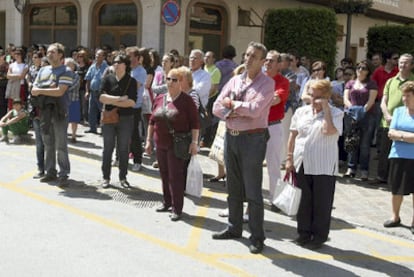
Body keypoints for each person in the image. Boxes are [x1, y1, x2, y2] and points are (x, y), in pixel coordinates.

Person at [211, 41, 274, 254]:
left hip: (253, 139)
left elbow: (256, 109)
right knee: (233, 186)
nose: (248, 59)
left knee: (253, 191)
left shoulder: (266, 84)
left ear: (263, 62)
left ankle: (257, 236)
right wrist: (235, 109)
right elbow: (216, 106)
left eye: (254, 56)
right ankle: (234, 227)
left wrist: (233, 105)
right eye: (247, 55)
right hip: (232, 136)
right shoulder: (235, 80)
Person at [286, 79, 344, 250]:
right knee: (304, 199)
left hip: (323, 164)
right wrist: (289, 158)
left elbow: (328, 131)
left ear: (326, 97)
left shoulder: (336, 113)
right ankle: (303, 233)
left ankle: (319, 236)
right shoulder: (301, 112)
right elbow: (293, 135)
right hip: (301, 161)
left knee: (321, 202)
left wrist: (325, 109)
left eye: (318, 97)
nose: (313, 100)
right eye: (311, 95)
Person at [144, 68, 199, 222]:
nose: (170, 82)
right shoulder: (160, 98)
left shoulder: (187, 101)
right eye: (168, 79)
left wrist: (194, 143)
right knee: (164, 174)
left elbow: (195, 124)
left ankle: (177, 208)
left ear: (181, 82)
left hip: (177, 145)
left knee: (176, 176)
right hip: (159, 142)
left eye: (174, 80)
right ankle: (166, 202)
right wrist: (148, 141)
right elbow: (151, 121)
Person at [31, 43, 74, 187]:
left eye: (53, 52)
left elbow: (59, 91)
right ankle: (50, 172)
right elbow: (33, 89)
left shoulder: (66, 71)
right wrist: (47, 89)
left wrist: (42, 90)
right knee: (48, 143)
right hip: (45, 112)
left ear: (61, 55)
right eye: (48, 52)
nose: (49, 54)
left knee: (61, 145)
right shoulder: (42, 70)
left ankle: (63, 174)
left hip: (60, 112)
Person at [372, 54, 414, 185]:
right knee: (384, 151)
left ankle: (398, 179)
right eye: (401, 62)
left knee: (402, 152)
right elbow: (383, 101)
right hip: (388, 122)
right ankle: (381, 176)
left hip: (406, 124)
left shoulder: (413, 82)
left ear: (412, 65)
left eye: (406, 63)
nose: (402, 65)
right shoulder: (391, 81)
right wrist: (387, 115)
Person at [99, 54, 137, 189]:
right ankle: (106, 177)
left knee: (123, 149)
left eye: (119, 62)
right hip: (109, 118)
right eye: (114, 62)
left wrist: (113, 100)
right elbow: (102, 98)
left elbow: (132, 102)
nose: (116, 64)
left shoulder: (131, 81)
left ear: (125, 65)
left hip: (126, 119)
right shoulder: (107, 79)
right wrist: (120, 99)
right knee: (107, 148)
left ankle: (123, 177)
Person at [383, 81, 414, 235]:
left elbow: (396, 134)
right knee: (396, 189)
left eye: (408, 95)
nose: (404, 99)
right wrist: (407, 137)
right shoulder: (398, 111)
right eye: (403, 95)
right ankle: (395, 217)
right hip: (398, 155)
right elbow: (391, 133)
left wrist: (400, 135)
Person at [343, 60, 378, 180]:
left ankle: (364, 170)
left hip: (367, 116)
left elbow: (371, 101)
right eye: (358, 68)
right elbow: (346, 99)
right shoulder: (350, 83)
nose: (360, 70)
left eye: (363, 68)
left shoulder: (371, 84)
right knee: (351, 142)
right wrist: (353, 112)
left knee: (364, 145)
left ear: (368, 71)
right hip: (351, 116)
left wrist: (361, 112)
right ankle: (350, 168)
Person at [263, 50, 290, 207]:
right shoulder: (259, 79)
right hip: (256, 126)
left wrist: (258, 100)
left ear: (279, 64)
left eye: (271, 60)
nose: (267, 63)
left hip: (273, 127)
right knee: (251, 164)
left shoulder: (282, 82)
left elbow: (275, 99)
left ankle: (275, 199)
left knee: (273, 164)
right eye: (266, 60)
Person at [125, 46, 147, 172]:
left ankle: (138, 160)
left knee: (134, 134)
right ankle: (120, 157)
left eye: (131, 57)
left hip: (134, 106)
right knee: (122, 133)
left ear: (138, 58)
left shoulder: (141, 71)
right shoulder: (128, 70)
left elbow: (134, 86)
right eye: (128, 57)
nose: (130, 60)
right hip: (124, 104)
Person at [84, 49, 108, 134]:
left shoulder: (106, 67)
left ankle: (103, 129)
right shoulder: (92, 66)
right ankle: (92, 128)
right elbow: (88, 79)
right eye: (96, 55)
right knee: (91, 110)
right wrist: (87, 91)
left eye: (99, 55)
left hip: (101, 93)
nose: (97, 57)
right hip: (92, 92)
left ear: (104, 57)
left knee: (102, 111)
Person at [201, 51, 221, 147]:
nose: (206, 58)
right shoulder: (202, 69)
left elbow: (214, 88)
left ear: (213, 59)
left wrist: (204, 97)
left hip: (210, 99)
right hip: (200, 98)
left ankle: (206, 140)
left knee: (207, 119)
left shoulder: (215, 71)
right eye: (205, 56)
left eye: (209, 57)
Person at [65, 58, 81, 143]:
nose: (67, 66)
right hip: (64, 100)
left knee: (74, 119)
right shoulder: (63, 74)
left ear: (74, 66)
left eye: (70, 64)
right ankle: (64, 134)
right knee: (64, 118)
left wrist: (62, 87)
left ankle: (73, 135)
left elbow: (71, 86)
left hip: (74, 99)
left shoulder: (76, 75)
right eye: (66, 64)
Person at [0, 49, 9, 119]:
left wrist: (3, 76)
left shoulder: (7, 65)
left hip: (4, 86)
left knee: (3, 104)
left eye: (1, 55)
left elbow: (7, 75)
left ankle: (3, 119)